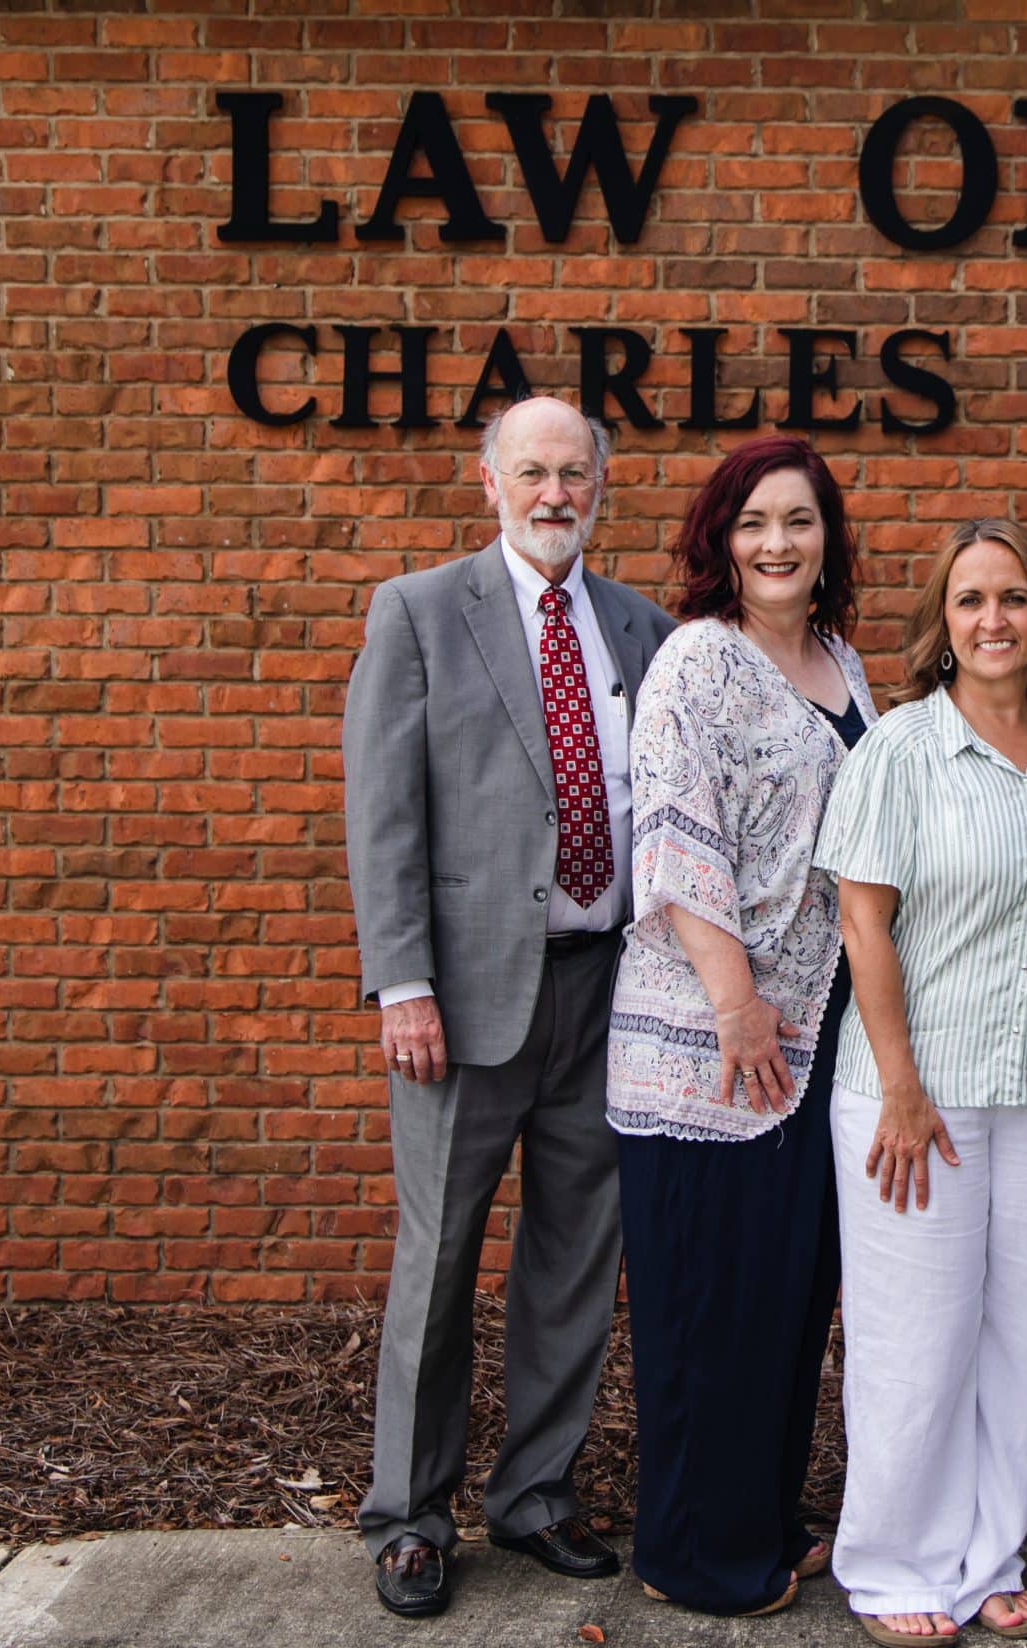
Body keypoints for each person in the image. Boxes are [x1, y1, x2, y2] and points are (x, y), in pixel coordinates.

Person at [340, 395, 675, 1620]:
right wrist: (405, 981)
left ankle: (535, 1494)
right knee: (435, 1264)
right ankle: (410, 1516)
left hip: (607, 990)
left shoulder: (642, 627)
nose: (553, 494)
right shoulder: (423, 612)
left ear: (599, 487)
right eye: (530, 472)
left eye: (572, 475)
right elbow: (384, 811)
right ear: (487, 482)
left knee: (575, 1259)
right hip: (464, 1000)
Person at [813, 519, 1027, 1646]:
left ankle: (990, 1556)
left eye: (1014, 599)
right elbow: (861, 920)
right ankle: (892, 1563)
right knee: (913, 1335)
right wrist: (897, 1082)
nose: (993, 619)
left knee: (1021, 1336)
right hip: (915, 1096)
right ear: (940, 623)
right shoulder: (899, 749)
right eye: (971, 599)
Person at [605, 435, 877, 1619]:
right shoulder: (695, 664)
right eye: (755, 521)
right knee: (707, 1301)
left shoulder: (842, 660)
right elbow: (673, 840)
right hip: (708, 1040)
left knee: (784, 1292)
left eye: (799, 521)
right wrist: (735, 1004)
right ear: (722, 537)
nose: (777, 542)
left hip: (813, 1036)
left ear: (828, 542)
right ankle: (693, 1552)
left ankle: (761, 1516)